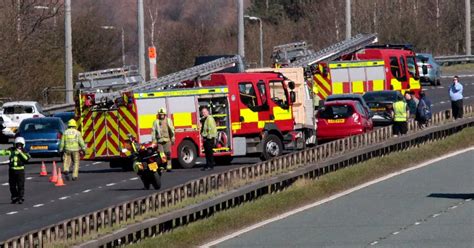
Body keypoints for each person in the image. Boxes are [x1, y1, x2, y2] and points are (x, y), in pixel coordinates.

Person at [0, 137, 31, 204]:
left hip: (20, 171)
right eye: (18, 145)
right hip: (12, 171)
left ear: (23, 145)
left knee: (20, 185)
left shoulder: (24, 151)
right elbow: (4, 152)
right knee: (12, 185)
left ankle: (21, 197)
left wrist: (20, 153)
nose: (19, 147)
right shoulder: (11, 150)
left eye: (20, 145)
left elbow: (26, 159)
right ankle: (14, 197)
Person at [151, 108, 175, 172]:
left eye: (162, 114)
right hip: (160, 141)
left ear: (164, 115)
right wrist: (154, 141)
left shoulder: (168, 121)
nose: (161, 115)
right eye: (160, 114)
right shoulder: (156, 122)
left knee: (168, 153)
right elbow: (153, 132)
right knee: (161, 155)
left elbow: (172, 130)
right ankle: (163, 166)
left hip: (167, 140)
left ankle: (169, 166)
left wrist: (172, 138)